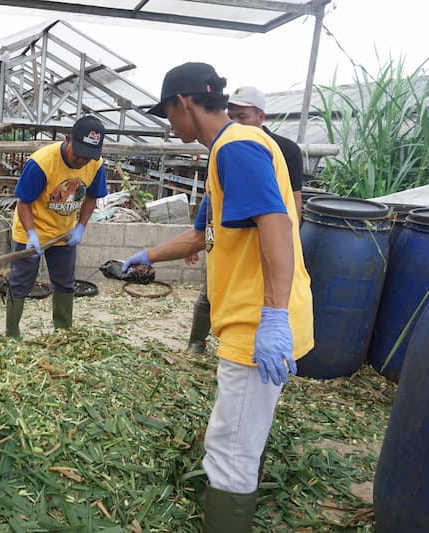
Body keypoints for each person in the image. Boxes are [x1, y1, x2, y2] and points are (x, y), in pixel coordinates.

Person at [122, 62, 313, 532]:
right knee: (243, 437)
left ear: (182, 103)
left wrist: (271, 318)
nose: (169, 124)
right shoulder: (229, 151)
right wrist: (145, 254)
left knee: (229, 449)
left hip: (256, 324)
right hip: (256, 316)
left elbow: (277, 225)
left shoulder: (237, 147)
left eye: (167, 112)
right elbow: (199, 235)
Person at [186, 85, 304, 354]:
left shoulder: (284, 149)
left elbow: (288, 208)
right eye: (232, 115)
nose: (235, 122)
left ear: (261, 117)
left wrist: (289, 243)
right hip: (228, 241)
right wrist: (199, 237)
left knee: (260, 297)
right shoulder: (225, 145)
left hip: (262, 245)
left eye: (243, 117)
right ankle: (197, 343)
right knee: (211, 291)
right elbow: (212, 197)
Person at [5, 115, 108, 338]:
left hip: (64, 232)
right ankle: (11, 334)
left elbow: (91, 196)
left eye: (88, 157)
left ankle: (63, 332)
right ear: (68, 138)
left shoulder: (96, 165)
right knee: (21, 282)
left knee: (64, 282)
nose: (82, 161)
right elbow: (24, 203)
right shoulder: (41, 163)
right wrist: (32, 234)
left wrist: (81, 226)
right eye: (79, 153)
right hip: (31, 228)